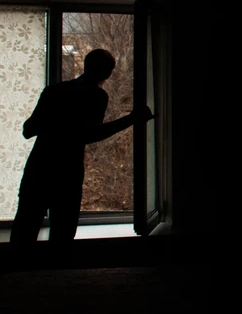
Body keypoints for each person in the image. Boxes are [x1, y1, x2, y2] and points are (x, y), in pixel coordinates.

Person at [9, 48, 153, 260]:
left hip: (39, 166)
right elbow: (91, 134)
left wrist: (53, 122)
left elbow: (28, 130)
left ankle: (15, 275)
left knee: (24, 231)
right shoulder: (96, 96)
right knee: (62, 237)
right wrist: (130, 119)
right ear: (107, 73)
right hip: (67, 171)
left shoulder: (54, 91)